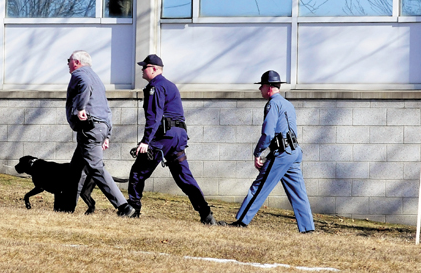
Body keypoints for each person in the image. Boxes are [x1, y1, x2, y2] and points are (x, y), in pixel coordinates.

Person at [127, 54, 216, 225]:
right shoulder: (170, 85)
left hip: (164, 137)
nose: (141, 70)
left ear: (154, 69)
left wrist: (145, 141)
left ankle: (133, 209)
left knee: (138, 172)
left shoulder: (156, 86)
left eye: (144, 67)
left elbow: (154, 116)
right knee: (184, 177)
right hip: (177, 137)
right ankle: (206, 214)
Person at [223, 70, 314, 232]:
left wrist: (258, 153)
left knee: (259, 186)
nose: (260, 89)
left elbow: (268, 133)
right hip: (294, 151)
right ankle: (308, 228)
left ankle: (241, 222)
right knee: (298, 193)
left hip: (282, 153)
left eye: (261, 86)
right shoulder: (288, 104)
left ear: (269, 87)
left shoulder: (272, 104)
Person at [65, 50, 136, 217]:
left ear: (76, 62)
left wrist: (81, 108)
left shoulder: (80, 74)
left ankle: (124, 207)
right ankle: (65, 207)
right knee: (75, 170)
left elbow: (84, 85)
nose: (68, 63)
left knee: (96, 167)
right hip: (98, 127)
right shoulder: (97, 78)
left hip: (89, 128)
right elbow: (106, 109)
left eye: (69, 60)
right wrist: (107, 134)